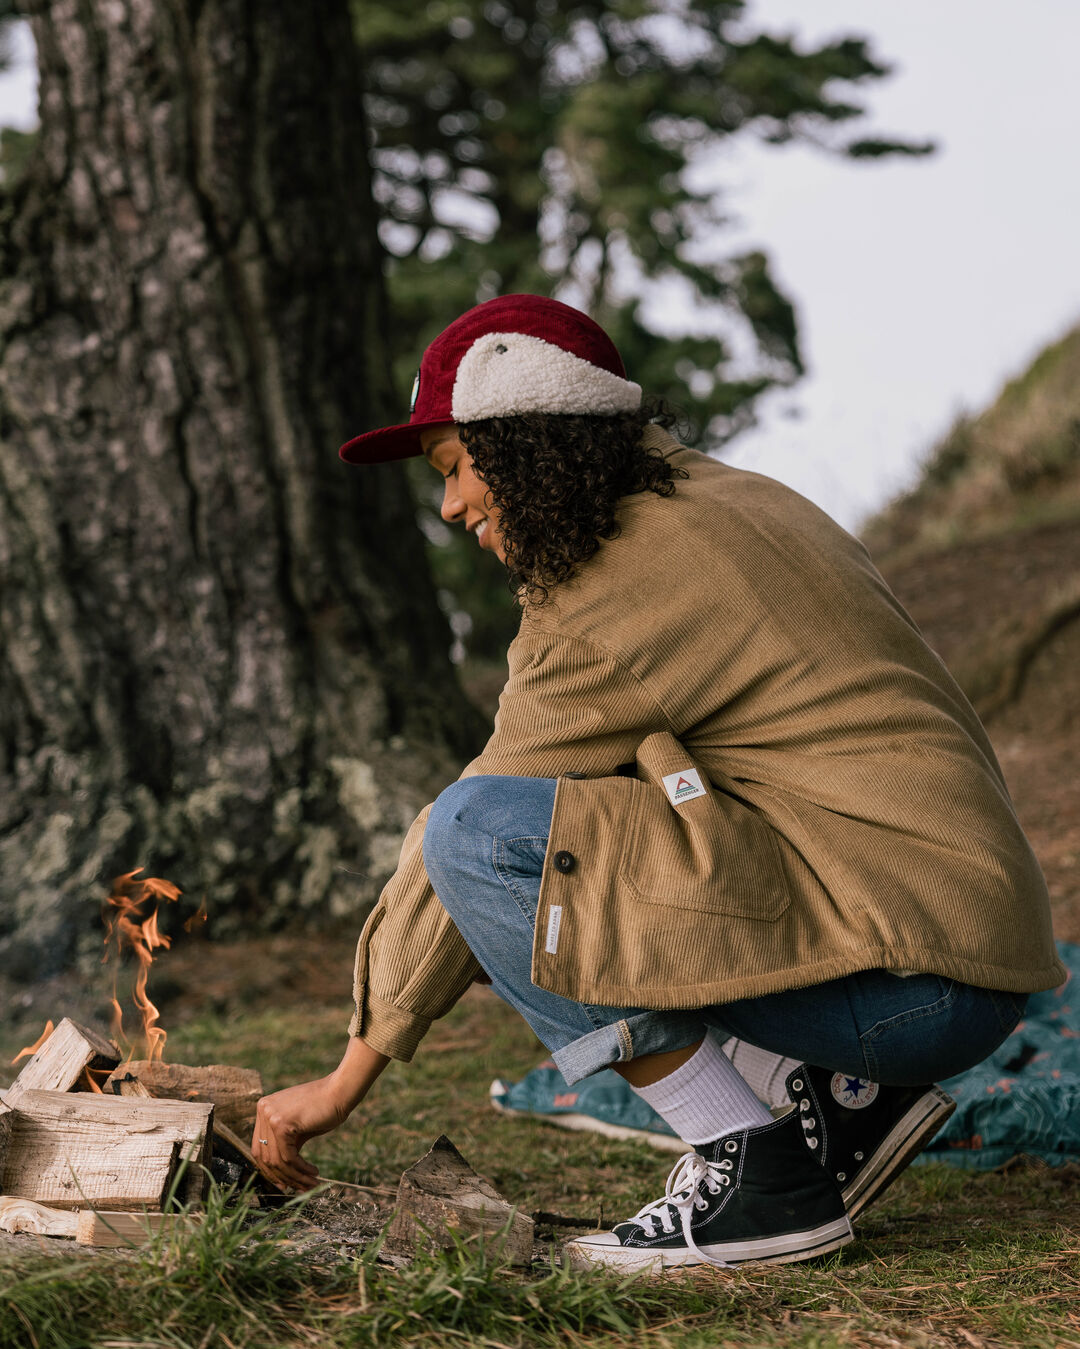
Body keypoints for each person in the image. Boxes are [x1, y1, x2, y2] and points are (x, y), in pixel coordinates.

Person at [254, 294, 1063, 1272]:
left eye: (455, 465)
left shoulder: (611, 586)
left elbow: (463, 841)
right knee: (596, 830)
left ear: (526, 443)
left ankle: (752, 1171)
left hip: (911, 982)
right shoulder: (739, 499)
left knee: (484, 840)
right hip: (963, 947)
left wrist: (345, 1077)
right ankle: (836, 1101)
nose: (451, 506)